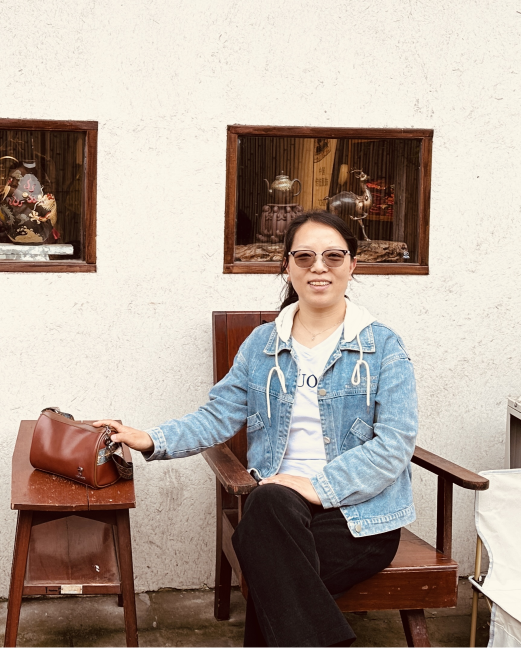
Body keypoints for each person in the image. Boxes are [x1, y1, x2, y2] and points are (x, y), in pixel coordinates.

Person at [95, 211, 418, 648]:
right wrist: (152, 439)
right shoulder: (262, 345)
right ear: (287, 265)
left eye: (333, 256)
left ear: (352, 264)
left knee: (267, 559)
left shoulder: (383, 347)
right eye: (304, 257)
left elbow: (395, 445)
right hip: (278, 509)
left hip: (360, 517)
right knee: (269, 509)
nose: (318, 267)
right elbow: (219, 415)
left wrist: (317, 485)